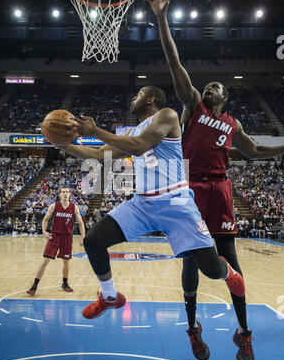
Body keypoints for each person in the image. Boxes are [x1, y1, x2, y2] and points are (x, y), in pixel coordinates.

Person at [146, 0, 284, 360]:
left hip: (220, 190)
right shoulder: (192, 105)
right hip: (190, 188)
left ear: (226, 96)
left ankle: (244, 332)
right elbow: (174, 62)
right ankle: (193, 327)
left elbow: (254, 151)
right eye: (207, 85)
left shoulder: (232, 124)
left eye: (216, 86)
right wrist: (161, 18)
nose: (210, 87)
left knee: (231, 260)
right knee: (191, 260)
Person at [61, 86, 245, 341]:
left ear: (150, 98)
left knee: (212, 270)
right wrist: (61, 143)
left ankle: (229, 273)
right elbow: (96, 155)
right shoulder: (134, 132)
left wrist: (95, 131)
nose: (132, 98)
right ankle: (110, 296)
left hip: (177, 204)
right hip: (143, 205)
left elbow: (138, 147)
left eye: (137, 94)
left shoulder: (167, 116)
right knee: (93, 240)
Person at [26, 186, 85, 295]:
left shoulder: (74, 207)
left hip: (67, 237)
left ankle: (65, 283)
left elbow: (81, 223)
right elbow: (45, 220)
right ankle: (34, 286)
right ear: (60, 195)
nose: (65, 194)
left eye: (67, 192)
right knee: (45, 260)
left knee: (66, 261)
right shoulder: (54, 206)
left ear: (70, 194)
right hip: (55, 236)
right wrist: (44, 231)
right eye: (63, 192)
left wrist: (82, 237)